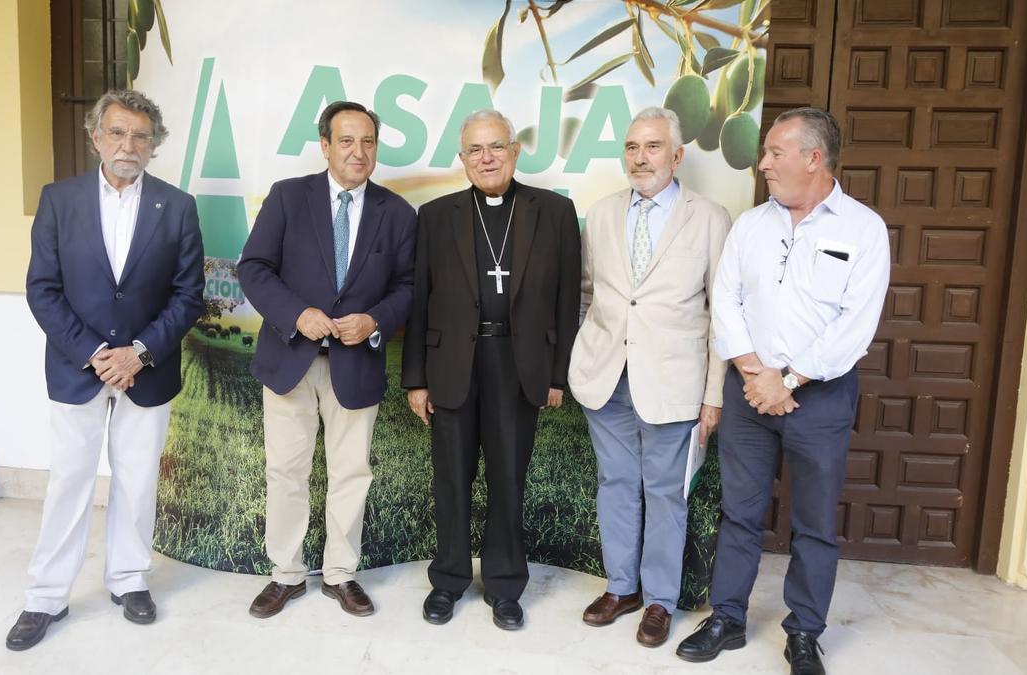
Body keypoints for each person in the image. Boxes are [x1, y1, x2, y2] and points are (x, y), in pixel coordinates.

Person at [676, 107, 890, 675]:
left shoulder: (864, 230)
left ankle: (803, 633)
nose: (764, 162)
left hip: (818, 398)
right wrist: (753, 374)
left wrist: (787, 379)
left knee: (814, 523)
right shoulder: (752, 224)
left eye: (775, 152)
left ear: (813, 158)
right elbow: (727, 301)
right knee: (739, 512)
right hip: (751, 394)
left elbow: (855, 325)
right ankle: (726, 618)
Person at [9, 90, 205, 651]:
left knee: (139, 477)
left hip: (149, 369)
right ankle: (45, 596)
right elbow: (42, 290)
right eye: (117, 133)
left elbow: (187, 296)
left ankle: (128, 580)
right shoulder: (59, 200)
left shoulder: (178, 205)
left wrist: (138, 352)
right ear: (95, 137)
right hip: (78, 368)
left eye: (140, 136)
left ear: (154, 146)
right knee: (69, 480)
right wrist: (96, 353)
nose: (128, 145)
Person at [402, 109, 580, 630]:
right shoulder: (436, 216)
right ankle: (449, 580)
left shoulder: (554, 212)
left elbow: (567, 300)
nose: (486, 158)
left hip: (518, 364)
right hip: (453, 363)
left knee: (508, 479)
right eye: (475, 151)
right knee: (450, 479)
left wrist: (556, 374)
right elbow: (420, 301)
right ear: (462, 159)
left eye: (496, 147)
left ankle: (504, 586)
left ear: (515, 151)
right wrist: (416, 378)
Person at [236, 101, 416, 618]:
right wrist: (296, 314)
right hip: (290, 361)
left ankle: (341, 573)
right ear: (325, 145)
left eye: (368, 143)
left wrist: (375, 320)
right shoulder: (289, 198)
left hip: (355, 365)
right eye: (347, 141)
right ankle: (287, 574)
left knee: (351, 472)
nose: (358, 152)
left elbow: (407, 287)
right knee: (285, 471)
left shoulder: (398, 213)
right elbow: (254, 268)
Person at [569, 107, 730, 647]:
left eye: (654, 146)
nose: (641, 157)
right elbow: (590, 293)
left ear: (678, 155)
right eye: (633, 147)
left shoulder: (709, 217)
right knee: (615, 485)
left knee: (666, 494)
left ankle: (659, 598)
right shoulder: (602, 213)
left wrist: (713, 397)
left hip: (674, 385)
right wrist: (583, 355)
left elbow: (721, 314)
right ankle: (621, 587)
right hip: (606, 377)